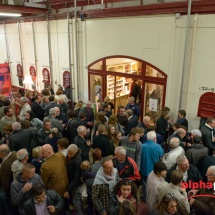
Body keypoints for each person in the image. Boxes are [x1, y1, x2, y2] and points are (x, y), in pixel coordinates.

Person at [140, 131, 164, 202]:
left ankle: (145, 198)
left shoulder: (142, 146)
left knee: (144, 185)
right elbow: (161, 155)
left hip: (144, 169)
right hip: (154, 170)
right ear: (154, 138)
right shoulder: (157, 146)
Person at [64, 144, 83, 215]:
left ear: (75, 152)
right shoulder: (71, 157)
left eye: (71, 154)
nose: (69, 155)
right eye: (68, 153)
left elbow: (76, 178)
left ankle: (80, 213)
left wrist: (68, 190)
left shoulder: (78, 161)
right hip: (71, 182)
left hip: (75, 184)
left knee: (76, 200)